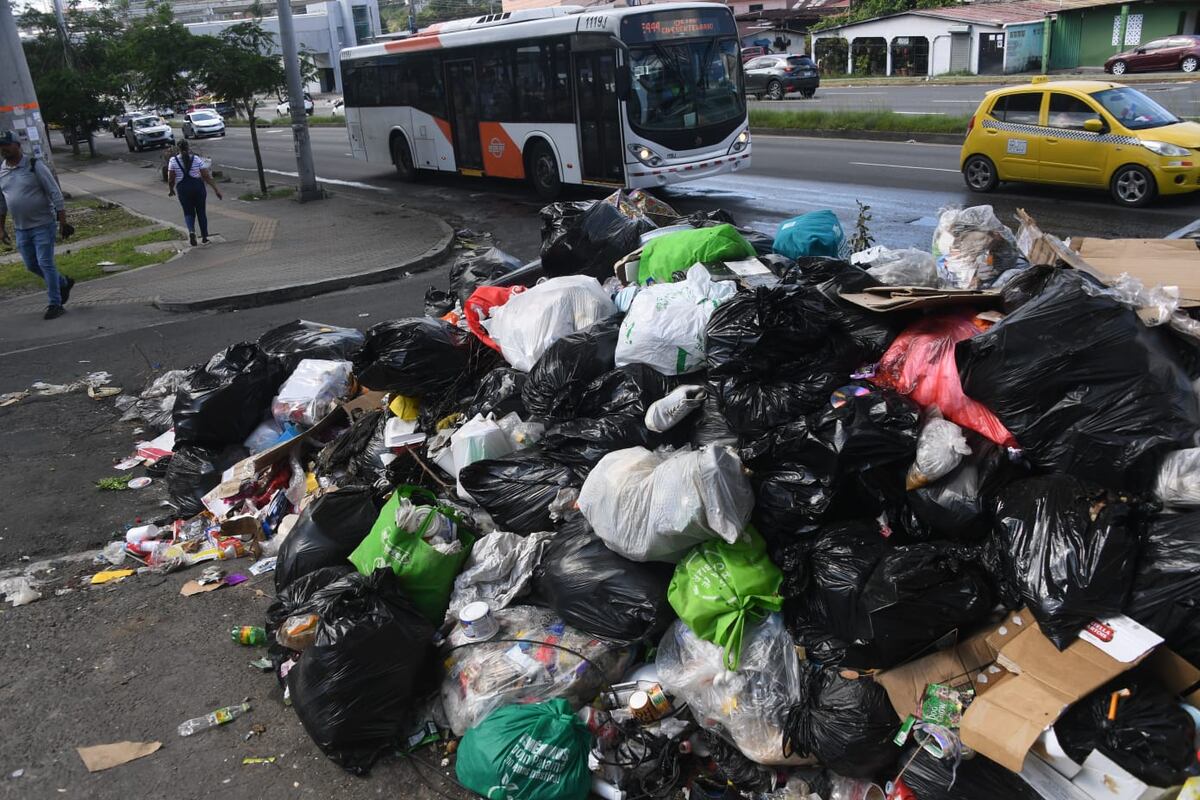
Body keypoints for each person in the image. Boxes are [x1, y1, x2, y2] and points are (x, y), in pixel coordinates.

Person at [0, 131, 73, 320]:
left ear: (18, 145)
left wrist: (62, 222)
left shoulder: (34, 165)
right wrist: (1, 228)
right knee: (31, 265)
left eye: (7, 144)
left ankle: (55, 304)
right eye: (1, 145)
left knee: (45, 262)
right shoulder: (2, 170)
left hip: (43, 223)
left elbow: (55, 193)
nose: (4, 148)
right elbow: (2, 203)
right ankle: (63, 282)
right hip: (21, 227)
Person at [167, 140, 222, 246]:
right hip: (198, 187)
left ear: (178, 149)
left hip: (183, 189)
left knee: (188, 212)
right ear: (188, 148)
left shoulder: (173, 161)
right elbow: (206, 175)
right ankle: (205, 238)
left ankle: (192, 232)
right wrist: (216, 190)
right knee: (201, 212)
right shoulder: (196, 159)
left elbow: (170, 179)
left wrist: (171, 189)